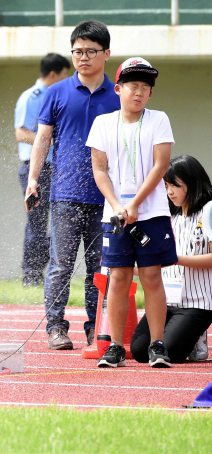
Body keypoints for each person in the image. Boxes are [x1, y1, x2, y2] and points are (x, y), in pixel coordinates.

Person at [25, 20, 121, 350]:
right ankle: (56, 327)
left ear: (106, 54)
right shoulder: (56, 92)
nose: (83, 57)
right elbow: (42, 139)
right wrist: (34, 179)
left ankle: (97, 329)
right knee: (61, 265)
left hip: (107, 198)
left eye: (91, 51)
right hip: (65, 194)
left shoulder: (119, 96)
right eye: (77, 51)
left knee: (100, 268)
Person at [89, 57, 176, 368]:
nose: (139, 92)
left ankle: (157, 344)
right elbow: (99, 170)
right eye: (133, 86)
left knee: (152, 276)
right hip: (114, 214)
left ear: (150, 94)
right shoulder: (102, 123)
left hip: (151, 211)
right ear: (118, 88)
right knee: (119, 277)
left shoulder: (158, 119)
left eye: (145, 87)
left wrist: (136, 203)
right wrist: (116, 205)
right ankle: (114, 346)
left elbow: (161, 165)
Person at [130, 155, 212, 364]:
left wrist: (176, 259)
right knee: (139, 351)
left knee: (171, 352)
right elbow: (157, 266)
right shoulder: (168, 217)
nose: (169, 192)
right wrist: (128, 268)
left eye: (175, 185)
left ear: (193, 183)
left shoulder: (208, 210)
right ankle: (189, 336)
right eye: (166, 186)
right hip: (164, 302)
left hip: (198, 302)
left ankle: (197, 337)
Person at [15, 53, 70, 286]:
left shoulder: (52, 95)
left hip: (53, 169)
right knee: (37, 223)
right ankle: (31, 274)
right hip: (35, 169)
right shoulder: (34, 96)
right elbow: (21, 133)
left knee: (59, 220)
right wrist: (47, 140)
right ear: (53, 74)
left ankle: (42, 271)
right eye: (64, 75)